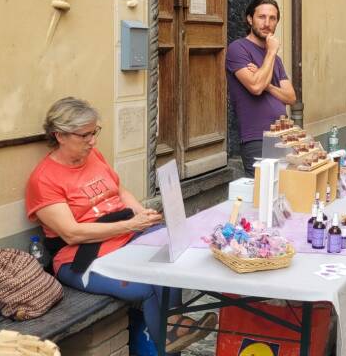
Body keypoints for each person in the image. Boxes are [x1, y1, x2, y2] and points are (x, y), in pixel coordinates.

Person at [26, 98, 215, 355]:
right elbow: (72, 233)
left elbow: (119, 189)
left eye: (94, 132)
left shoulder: (92, 155)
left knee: (174, 253)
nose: (92, 141)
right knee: (145, 288)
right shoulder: (44, 179)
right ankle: (170, 337)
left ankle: (173, 330)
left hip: (124, 235)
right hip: (80, 256)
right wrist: (131, 223)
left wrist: (140, 211)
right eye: (85, 135)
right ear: (59, 135)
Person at [226, 0, 297, 177]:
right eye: (262, 17)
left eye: (272, 18)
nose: (267, 23)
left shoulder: (275, 60)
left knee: (283, 193)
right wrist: (271, 51)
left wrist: (269, 87)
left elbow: (290, 97)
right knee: (262, 197)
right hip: (257, 138)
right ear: (250, 19)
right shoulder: (238, 48)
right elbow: (256, 86)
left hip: (283, 135)